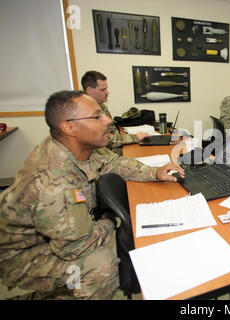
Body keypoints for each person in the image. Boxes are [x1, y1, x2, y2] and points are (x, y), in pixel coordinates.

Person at [0, 90, 184, 299]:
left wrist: (154, 172)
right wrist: (110, 220)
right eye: (97, 116)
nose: (107, 120)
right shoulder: (53, 180)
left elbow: (115, 163)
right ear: (69, 127)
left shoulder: (80, 147)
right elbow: (77, 247)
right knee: (99, 267)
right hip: (21, 255)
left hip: (58, 235)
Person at [81, 71, 150, 155]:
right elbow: (106, 140)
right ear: (89, 90)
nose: (107, 92)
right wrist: (136, 137)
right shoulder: (84, 113)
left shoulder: (101, 106)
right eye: (103, 90)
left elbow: (112, 131)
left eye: (106, 88)